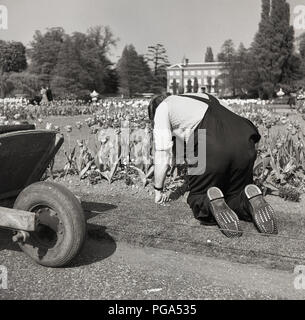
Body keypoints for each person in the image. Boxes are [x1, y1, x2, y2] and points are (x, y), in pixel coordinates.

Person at [148, 93, 277, 238]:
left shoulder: (162, 107)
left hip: (207, 139)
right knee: (233, 192)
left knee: (199, 197)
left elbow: (163, 155)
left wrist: (158, 189)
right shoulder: (202, 96)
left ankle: (208, 203)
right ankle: (247, 199)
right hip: (244, 138)